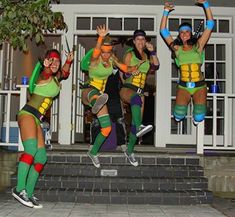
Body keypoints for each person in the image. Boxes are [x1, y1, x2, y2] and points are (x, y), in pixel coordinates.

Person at [12, 49, 74, 208]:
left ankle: (29, 193)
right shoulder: (44, 75)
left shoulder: (55, 78)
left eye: (57, 61)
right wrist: (45, 67)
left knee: (41, 158)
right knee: (31, 149)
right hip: (27, 114)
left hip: (36, 119)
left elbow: (64, 74)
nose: (55, 64)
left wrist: (68, 61)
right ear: (46, 61)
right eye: (51, 60)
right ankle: (19, 189)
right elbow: (45, 73)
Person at [81, 24, 139, 168]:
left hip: (102, 97)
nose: (105, 55)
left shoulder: (112, 60)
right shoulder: (95, 60)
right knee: (96, 96)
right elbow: (95, 51)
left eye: (108, 52)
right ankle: (96, 102)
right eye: (103, 52)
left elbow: (125, 68)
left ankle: (93, 152)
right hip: (89, 91)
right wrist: (100, 37)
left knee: (106, 129)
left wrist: (133, 70)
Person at [160, 0, 214, 125]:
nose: (184, 34)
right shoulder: (177, 49)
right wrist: (166, 11)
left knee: (199, 116)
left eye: (187, 31)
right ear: (179, 34)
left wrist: (206, 4)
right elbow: (163, 30)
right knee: (178, 115)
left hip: (199, 85)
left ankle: (198, 117)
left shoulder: (198, 46)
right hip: (184, 86)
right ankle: (180, 115)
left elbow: (210, 24)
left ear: (190, 33)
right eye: (182, 32)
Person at [120, 29, 160, 166]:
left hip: (140, 91)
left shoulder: (147, 57)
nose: (141, 42)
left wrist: (152, 51)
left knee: (136, 123)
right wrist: (130, 71)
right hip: (128, 88)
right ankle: (138, 128)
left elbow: (156, 66)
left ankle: (130, 150)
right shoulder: (130, 54)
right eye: (138, 39)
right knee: (136, 101)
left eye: (143, 39)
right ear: (133, 41)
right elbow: (123, 73)